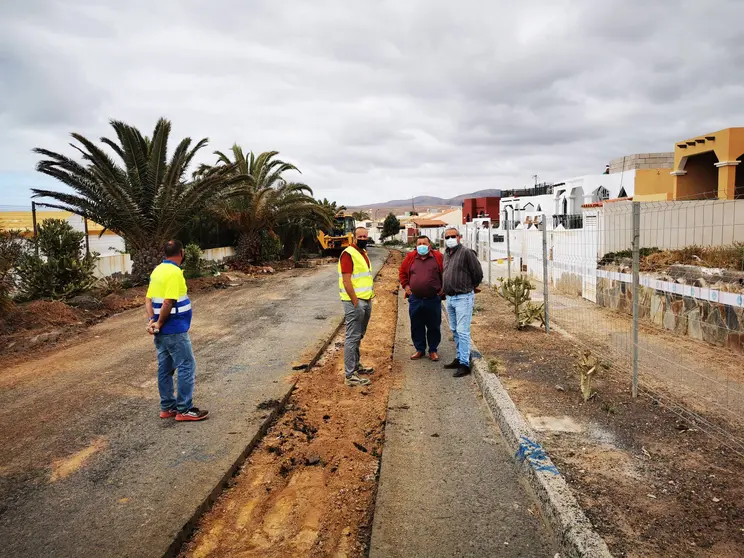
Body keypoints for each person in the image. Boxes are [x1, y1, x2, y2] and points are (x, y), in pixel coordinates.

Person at [145, 240, 209, 421]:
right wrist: (159, 322)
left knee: (165, 368)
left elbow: (148, 300)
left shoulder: (157, 270)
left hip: (162, 332)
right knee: (186, 365)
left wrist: (152, 321)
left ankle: (167, 407)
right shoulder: (174, 272)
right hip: (174, 329)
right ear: (181, 252)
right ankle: (184, 409)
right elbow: (168, 301)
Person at [442, 227, 483, 378]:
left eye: (453, 236)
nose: (450, 239)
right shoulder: (446, 254)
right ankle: (459, 357)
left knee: (463, 331)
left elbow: (477, 273)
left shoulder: (466, 252)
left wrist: (470, 287)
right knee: (454, 329)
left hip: (463, 297)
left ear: (459, 237)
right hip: (450, 298)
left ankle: (464, 364)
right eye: (447, 237)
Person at [339, 227, 375, 387]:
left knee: (359, 335)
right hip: (355, 301)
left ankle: (356, 365)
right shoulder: (348, 253)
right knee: (352, 337)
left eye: (365, 236)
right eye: (360, 236)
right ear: (354, 237)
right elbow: (347, 281)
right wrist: (355, 302)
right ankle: (350, 375)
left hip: (366, 299)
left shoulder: (363, 253)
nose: (363, 238)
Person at [399, 235, 444, 362]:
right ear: (416, 246)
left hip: (433, 299)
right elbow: (402, 273)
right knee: (416, 325)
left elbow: (445, 272)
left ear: (429, 245)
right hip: (416, 299)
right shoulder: (410, 257)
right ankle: (419, 349)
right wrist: (406, 286)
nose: (421, 245)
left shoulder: (438, 257)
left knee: (434, 325)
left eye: (424, 243)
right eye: (419, 243)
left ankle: (433, 350)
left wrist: (443, 287)